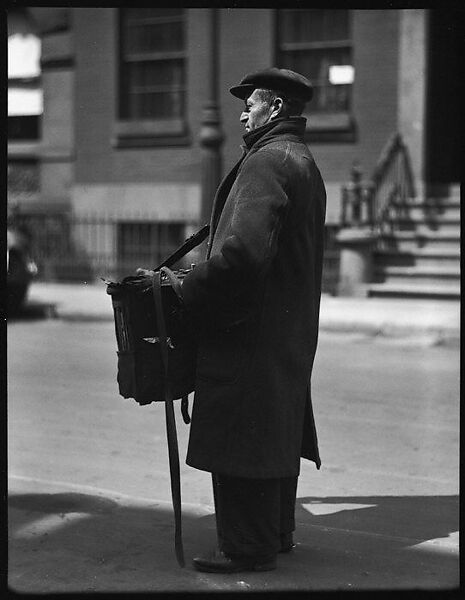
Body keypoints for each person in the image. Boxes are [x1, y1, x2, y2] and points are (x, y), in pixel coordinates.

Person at [180, 67, 327, 573]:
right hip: (285, 331)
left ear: (277, 109)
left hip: (250, 332)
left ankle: (246, 546)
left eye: (251, 103)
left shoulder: (267, 162)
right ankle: (275, 534)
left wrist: (188, 285)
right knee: (274, 428)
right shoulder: (301, 160)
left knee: (243, 432)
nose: (243, 112)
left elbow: (240, 258)